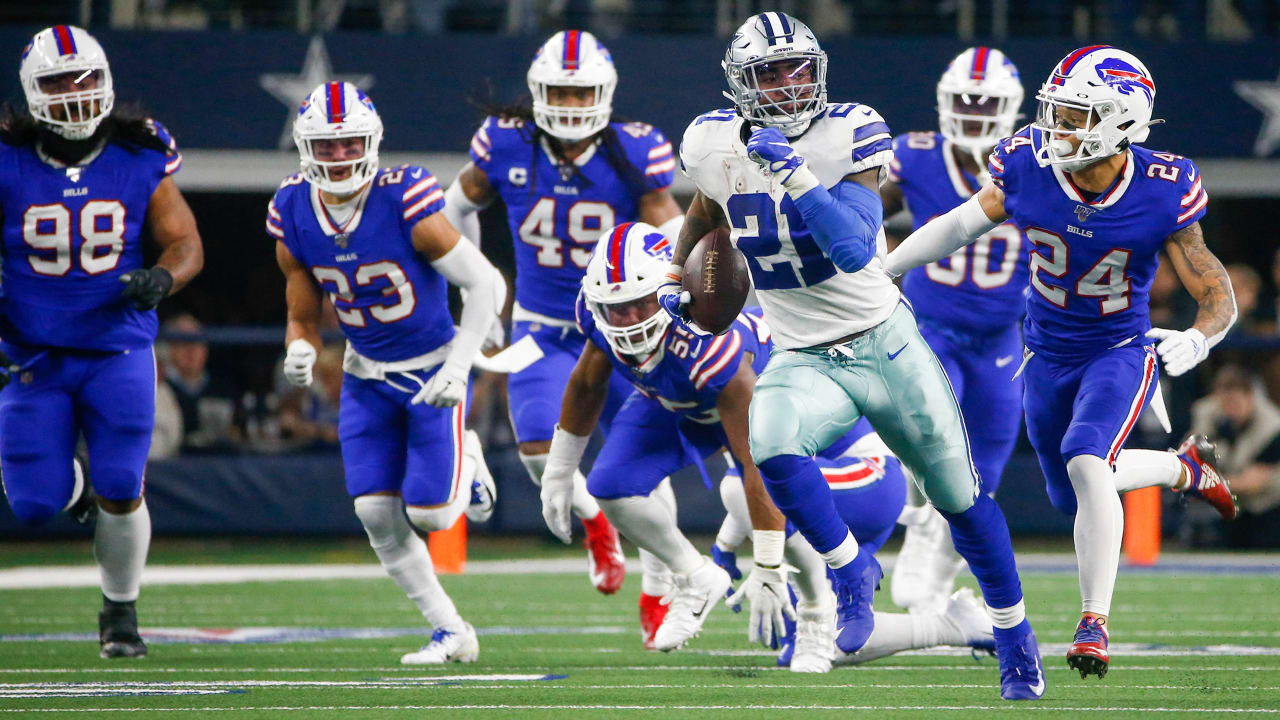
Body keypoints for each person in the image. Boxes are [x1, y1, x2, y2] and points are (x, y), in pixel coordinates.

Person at [663, 12, 1044, 700]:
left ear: (819, 70)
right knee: (772, 450)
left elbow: (850, 248)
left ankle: (1015, 637)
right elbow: (709, 209)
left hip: (883, 341)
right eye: (769, 73)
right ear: (739, 85)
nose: (787, 84)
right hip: (803, 352)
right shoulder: (709, 141)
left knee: (962, 497)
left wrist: (797, 175)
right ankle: (849, 572)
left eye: (798, 68)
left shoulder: (851, 131)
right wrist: (673, 271)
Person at [886, 45, 1240, 680]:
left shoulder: (1165, 187)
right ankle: (1181, 468)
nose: (1060, 127)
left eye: (1077, 116)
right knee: (1068, 491)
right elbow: (959, 224)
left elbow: (1212, 285)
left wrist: (1203, 336)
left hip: (1117, 350)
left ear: (1119, 121)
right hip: (1043, 351)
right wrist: (888, 270)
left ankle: (1093, 622)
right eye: (1060, 112)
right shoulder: (1029, 162)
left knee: (1085, 459)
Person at [443, 31, 685, 611]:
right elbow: (455, 208)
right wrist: (479, 292)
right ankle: (597, 523)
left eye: (582, 95)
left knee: (645, 463)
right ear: (537, 92)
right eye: (560, 93)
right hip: (542, 324)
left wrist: (681, 295)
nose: (572, 106)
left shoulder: (633, 147)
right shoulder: (507, 143)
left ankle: (658, 588)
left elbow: (672, 227)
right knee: (535, 453)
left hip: (625, 327)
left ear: (602, 94)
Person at [270, 81, 503, 664]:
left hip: (429, 370)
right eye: (327, 146)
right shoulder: (293, 210)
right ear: (305, 149)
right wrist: (299, 346)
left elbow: (484, 284)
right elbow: (302, 315)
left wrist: (457, 365)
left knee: (432, 513)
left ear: (371, 142)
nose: (341, 156)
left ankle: (467, 459)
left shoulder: (403, 197)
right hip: (365, 374)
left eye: (351, 143)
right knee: (374, 512)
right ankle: (451, 629)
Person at [0, 25, 203, 659]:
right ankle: (74, 488)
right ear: (32, 93)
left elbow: (186, 244)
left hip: (117, 346)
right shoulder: (7, 158)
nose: (74, 93)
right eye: (58, 81)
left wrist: (162, 277)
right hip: (32, 351)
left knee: (124, 483)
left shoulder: (140, 152)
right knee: (32, 504)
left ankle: (120, 612)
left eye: (84, 78)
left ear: (106, 79)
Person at [879, 47, 1030, 615]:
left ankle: (942, 554)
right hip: (931, 327)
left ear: (1010, 107)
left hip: (999, 338)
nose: (973, 111)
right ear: (943, 102)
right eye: (964, 101)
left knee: (984, 468)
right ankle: (920, 524)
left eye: (985, 102)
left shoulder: (1037, 164)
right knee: (931, 433)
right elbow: (865, 212)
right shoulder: (914, 157)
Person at [714, 420, 996, 672]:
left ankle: (817, 602)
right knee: (819, 639)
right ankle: (954, 626)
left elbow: (763, 477)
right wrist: (726, 546)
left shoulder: (734, 373)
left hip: (869, 475)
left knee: (739, 485)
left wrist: (748, 553)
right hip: (833, 486)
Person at [1191, 365, 1280, 548]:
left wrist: (1204, 484)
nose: (1230, 409)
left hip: (1265, 507)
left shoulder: (1272, 426)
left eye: (1235, 403)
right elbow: (1189, 459)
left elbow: (1253, 482)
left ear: (1250, 397)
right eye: (1225, 403)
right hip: (1224, 503)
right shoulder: (1206, 413)